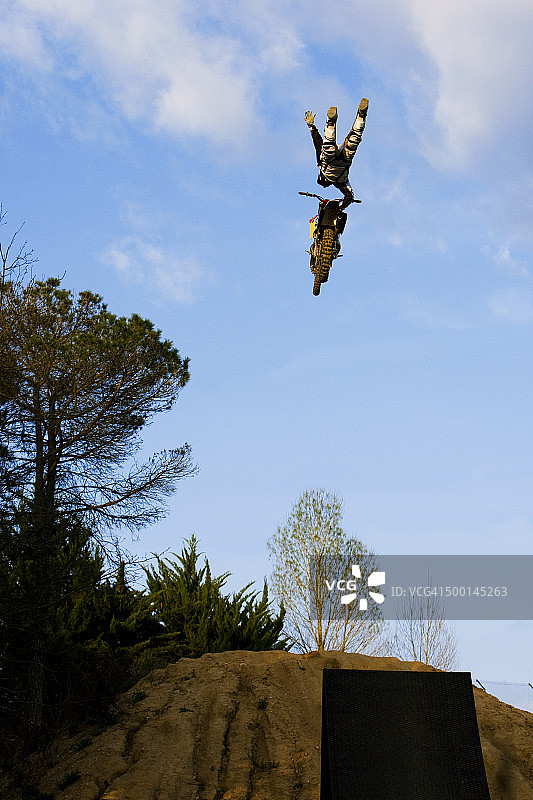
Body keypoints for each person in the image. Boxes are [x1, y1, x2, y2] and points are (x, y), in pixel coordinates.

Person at [305, 98, 368, 210]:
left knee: (354, 139)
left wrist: (340, 208)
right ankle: (331, 123)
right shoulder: (339, 180)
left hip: (342, 161)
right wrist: (312, 127)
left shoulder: (342, 182)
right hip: (335, 160)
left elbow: (349, 196)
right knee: (329, 145)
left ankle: (361, 117)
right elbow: (318, 145)